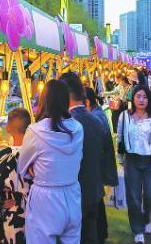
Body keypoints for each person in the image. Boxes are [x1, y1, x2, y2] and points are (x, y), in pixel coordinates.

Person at [18, 80, 84, 243]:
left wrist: (35, 167)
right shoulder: (78, 128)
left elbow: (22, 166)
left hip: (45, 199)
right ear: (66, 99)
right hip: (72, 194)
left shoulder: (35, 131)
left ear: (43, 99)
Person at [59, 72, 105, 244]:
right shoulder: (96, 120)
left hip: (72, 193)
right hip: (93, 189)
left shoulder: (66, 124)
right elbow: (105, 152)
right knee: (90, 233)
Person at [117, 85, 151, 244]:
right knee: (134, 197)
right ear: (133, 98)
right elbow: (120, 138)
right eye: (138, 96)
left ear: (149, 99)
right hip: (132, 160)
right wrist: (120, 158)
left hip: (150, 160)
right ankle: (137, 229)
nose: (141, 100)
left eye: (145, 97)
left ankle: (146, 218)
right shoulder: (125, 116)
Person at [0, 108, 32, 244]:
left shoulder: (6, 157)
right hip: (37, 219)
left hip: (13, 222)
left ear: (8, 128)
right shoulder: (38, 154)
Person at [85, 87, 118, 244]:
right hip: (100, 166)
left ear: (87, 102)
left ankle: (99, 234)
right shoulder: (97, 114)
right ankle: (101, 232)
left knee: (95, 202)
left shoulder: (95, 117)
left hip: (97, 166)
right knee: (97, 201)